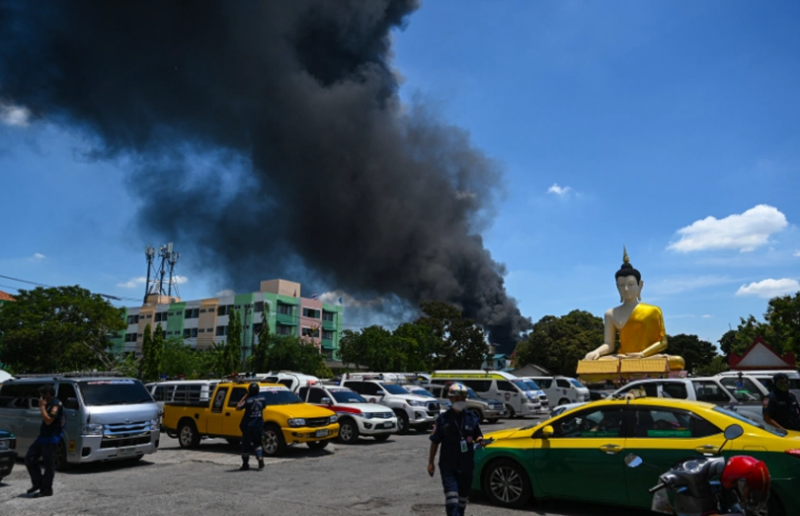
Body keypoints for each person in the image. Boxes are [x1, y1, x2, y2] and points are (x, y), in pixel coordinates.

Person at [583, 247, 685, 370]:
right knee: (590, 363)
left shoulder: (653, 310)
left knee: (677, 361)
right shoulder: (610, 313)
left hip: (647, 357)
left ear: (640, 285)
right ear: (617, 287)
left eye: (630, 284)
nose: (626, 289)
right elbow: (609, 345)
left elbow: (663, 342)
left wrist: (642, 354)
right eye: (621, 285)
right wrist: (596, 352)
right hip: (623, 357)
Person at [427, 383, 484, 516]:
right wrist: (431, 462)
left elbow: (478, 434)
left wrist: (480, 440)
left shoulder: (471, 418)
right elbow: (435, 442)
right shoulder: (443, 419)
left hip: (466, 465)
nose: (460, 401)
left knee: (462, 501)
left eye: (463, 398)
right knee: (452, 500)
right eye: (457, 399)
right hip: (448, 466)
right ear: (451, 399)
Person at [25, 385, 63, 498]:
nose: (40, 398)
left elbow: (48, 421)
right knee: (30, 458)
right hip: (43, 437)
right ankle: (38, 482)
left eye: (42, 395)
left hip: (51, 438)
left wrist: (42, 407)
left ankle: (47, 489)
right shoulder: (49, 403)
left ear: (48, 394)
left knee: (48, 464)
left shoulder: (56, 405)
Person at [235, 382, 265, 471]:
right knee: (258, 444)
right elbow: (263, 407)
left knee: (246, 446)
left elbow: (237, 407)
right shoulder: (263, 399)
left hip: (248, 427)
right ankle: (260, 457)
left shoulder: (248, 401)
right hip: (258, 426)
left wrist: (245, 396)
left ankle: (245, 464)